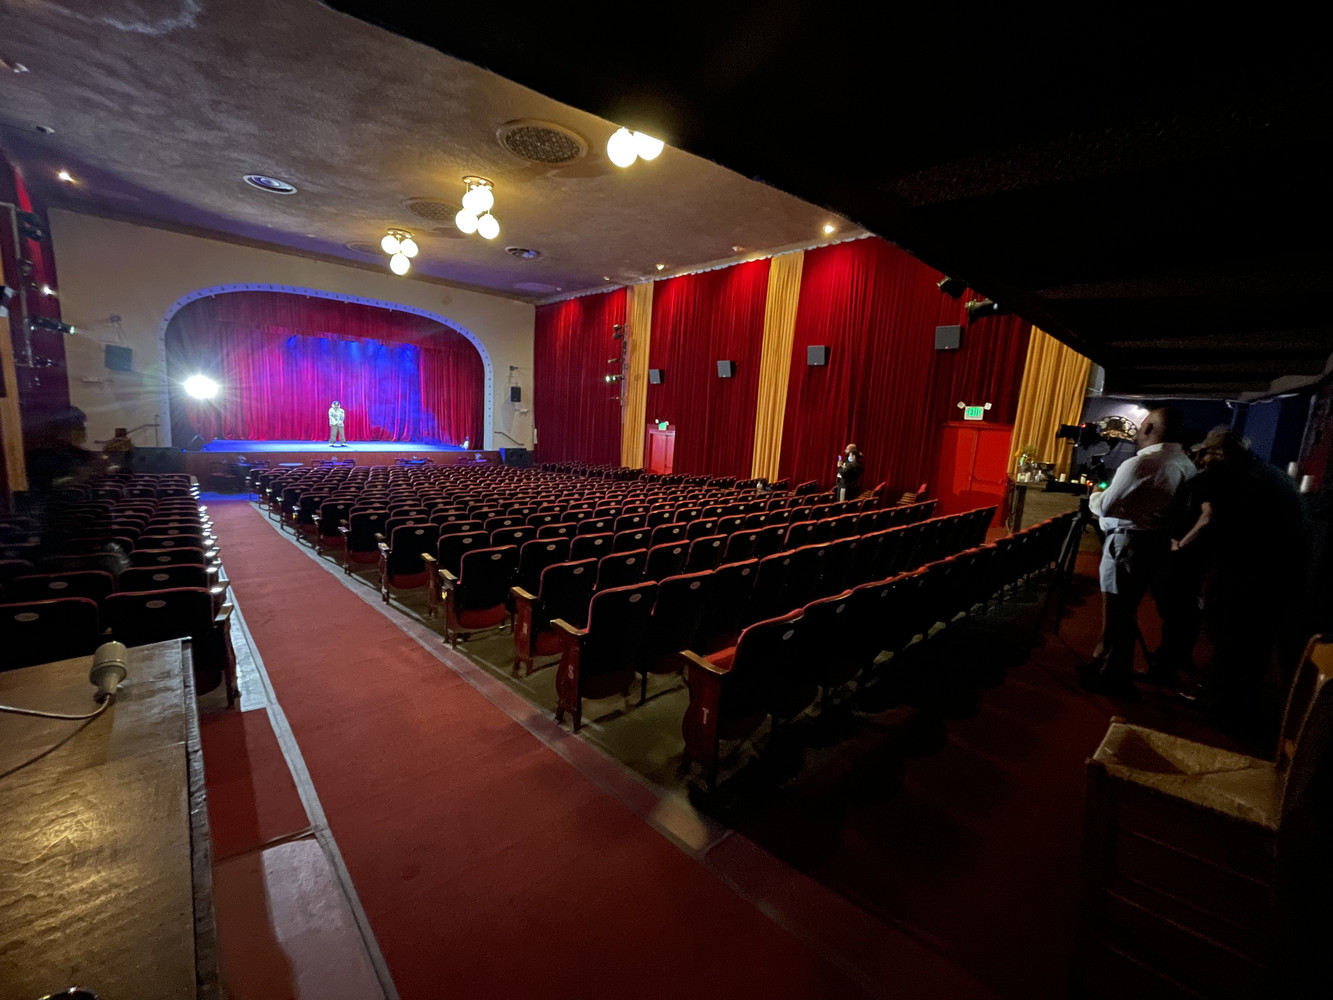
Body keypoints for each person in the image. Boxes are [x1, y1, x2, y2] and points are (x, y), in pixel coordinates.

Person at [1081, 406, 1195, 697]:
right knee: (1125, 611)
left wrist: (1095, 495)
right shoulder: (1185, 463)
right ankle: (1102, 662)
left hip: (1127, 542)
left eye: (1143, 425)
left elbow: (1106, 506)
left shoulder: (1142, 463)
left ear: (1149, 429)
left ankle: (1113, 677)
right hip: (1154, 544)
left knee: (1117, 611)